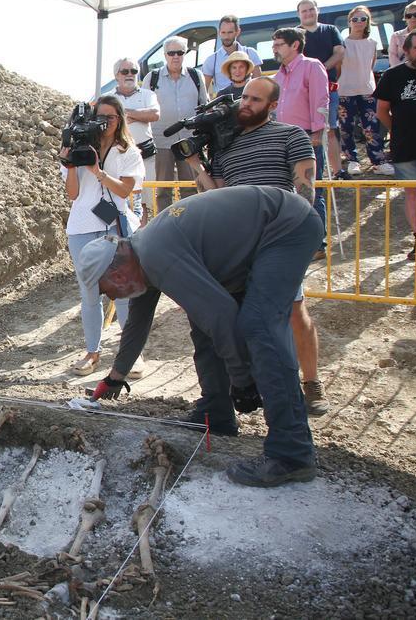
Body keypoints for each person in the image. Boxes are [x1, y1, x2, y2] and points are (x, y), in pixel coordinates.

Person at [81, 185, 323, 488]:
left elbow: (223, 315)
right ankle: (217, 414)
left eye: (106, 292)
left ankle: (293, 453)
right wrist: (115, 377)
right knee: (202, 324)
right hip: (257, 236)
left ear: (117, 276)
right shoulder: (138, 256)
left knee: (260, 325)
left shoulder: (156, 256)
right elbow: (137, 326)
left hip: (284, 227)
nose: (111, 298)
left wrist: (243, 381)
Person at [187, 76, 328, 416]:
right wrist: (195, 164)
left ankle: (311, 384)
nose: (245, 104)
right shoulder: (226, 147)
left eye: (254, 99)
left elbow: (305, 189)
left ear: (272, 105)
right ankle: (261, 386)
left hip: (278, 241)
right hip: (238, 245)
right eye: (244, 98)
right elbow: (213, 196)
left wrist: (294, 237)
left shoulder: (290, 135)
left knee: (293, 311)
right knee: (246, 317)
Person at [56, 95, 146, 378]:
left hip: (113, 226)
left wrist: (99, 173)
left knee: (121, 290)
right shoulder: (80, 145)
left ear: (120, 119)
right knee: (89, 292)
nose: (104, 122)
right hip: (82, 226)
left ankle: (133, 354)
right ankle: (92, 352)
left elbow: (124, 191)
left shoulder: (127, 151)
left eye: (110, 117)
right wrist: (70, 164)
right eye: (100, 116)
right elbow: (73, 194)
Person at [273, 27, 330, 246]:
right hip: (283, 137)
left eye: (279, 45)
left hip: (307, 137)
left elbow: (320, 101)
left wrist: (318, 133)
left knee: (310, 190)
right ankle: (296, 238)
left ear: (295, 45)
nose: (274, 49)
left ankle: (317, 242)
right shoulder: (278, 75)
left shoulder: (312, 66)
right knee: (289, 189)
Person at [144, 36, 208, 210]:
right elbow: (144, 106)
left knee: (191, 187)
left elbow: (205, 105)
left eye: (180, 52)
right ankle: (165, 226)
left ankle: (190, 222)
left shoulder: (196, 76)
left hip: (189, 141)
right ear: (165, 55)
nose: (175, 56)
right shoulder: (152, 77)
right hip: (161, 141)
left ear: (185, 53)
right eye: (171, 53)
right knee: (163, 189)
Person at [375, 29, 416, 260]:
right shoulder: (392, 76)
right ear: (406, 50)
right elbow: (382, 111)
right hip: (405, 146)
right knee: (412, 194)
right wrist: (397, 130)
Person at [337, 5, 390, 178]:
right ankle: (352, 159)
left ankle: (378, 161)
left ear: (367, 22)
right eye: (355, 19)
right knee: (347, 127)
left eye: (363, 19)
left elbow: (370, 66)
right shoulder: (342, 44)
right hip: (345, 90)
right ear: (349, 22)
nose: (359, 22)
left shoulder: (372, 43)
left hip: (367, 89)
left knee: (372, 127)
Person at [297, 0, 345, 185]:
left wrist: (319, 70)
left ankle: (338, 171)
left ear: (317, 10)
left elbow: (340, 52)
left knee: (331, 129)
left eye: (311, 9)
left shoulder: (331, 30)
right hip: (303, 91)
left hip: (328, 89)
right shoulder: (296, 34)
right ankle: (312, 174)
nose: (308, 13)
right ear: (299, 14)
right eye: (304, 11)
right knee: (306, 132)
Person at [107, 57, 158, 220]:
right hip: (117, 157)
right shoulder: (108, 98)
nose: (130, 75)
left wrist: (123, 113)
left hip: (145, 156)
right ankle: (119, 239)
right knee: (115, 200)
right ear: (116, 75)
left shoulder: (148, 94)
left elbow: (154, 114)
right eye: (125, 71)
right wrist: (139, 114)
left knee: (141, 202)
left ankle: (139, 242)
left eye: (134, 71)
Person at [201, 14, 263, 96]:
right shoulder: (211, 60)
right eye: (223, 32)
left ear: (238, 32)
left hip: (248, 102)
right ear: (219, 33)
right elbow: (203, 91)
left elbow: (259, 85)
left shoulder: (250, 53)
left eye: (230, 32)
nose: (226, 37)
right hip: (223, 105)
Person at [388, 0, 416, 68]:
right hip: (404, 73)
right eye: (408, 16)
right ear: (405, 18)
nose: (412, 18)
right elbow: (392, 57)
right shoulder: (396, 36)